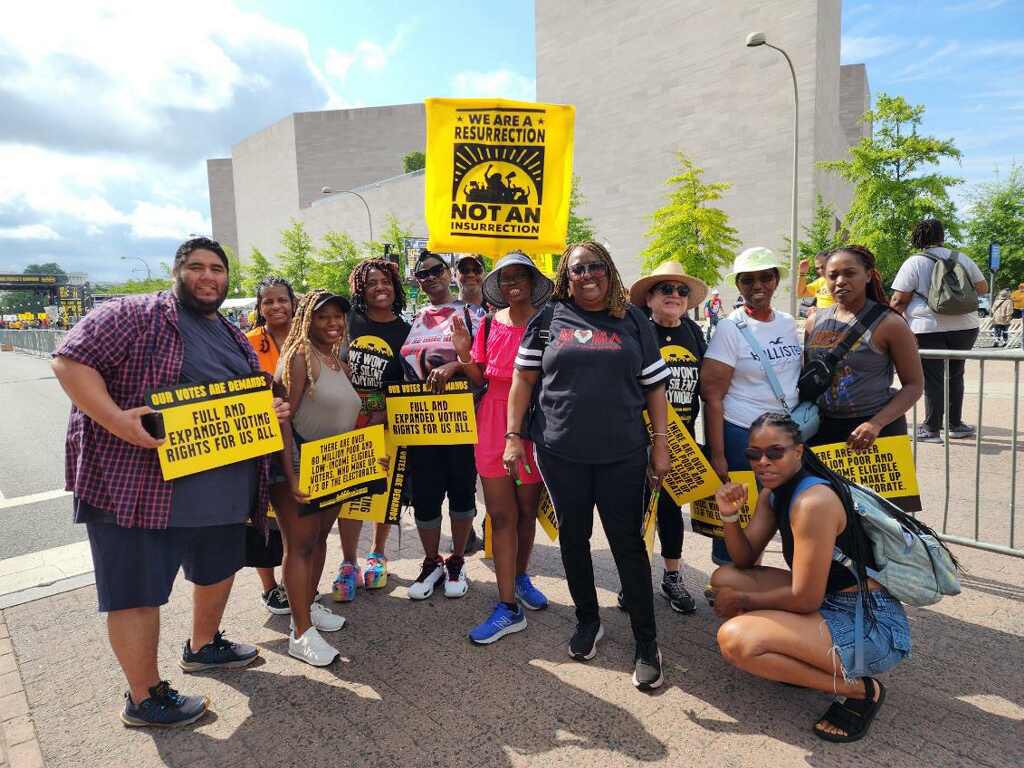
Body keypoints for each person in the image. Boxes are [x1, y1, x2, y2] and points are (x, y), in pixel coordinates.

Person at [52, 236, 286, 728]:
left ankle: (203, 646)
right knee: (135, 591)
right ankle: (144, 696)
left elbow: (237, 397)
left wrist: (269, 409)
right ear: (178, 271)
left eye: (217, 269)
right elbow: (70, 361)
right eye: (197, 267)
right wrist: (115, 420)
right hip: (137, 489)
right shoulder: (133, 313)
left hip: (219, 493)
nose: (208, 277)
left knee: (219, 568)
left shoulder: (229, 331)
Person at [507, 241, 671, 690]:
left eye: (596, 266)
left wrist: (661, 445)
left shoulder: (634, 320)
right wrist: (513, 436)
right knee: (573, 541)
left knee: (627, 545)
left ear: (610, 270)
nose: (588, 275)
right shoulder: (548, 320)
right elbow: (522, 382)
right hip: (561, 455)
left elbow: (655, 390)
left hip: (623, 454)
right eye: (578, 269)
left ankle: (646, 641)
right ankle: (587, 621)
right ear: (567, 276)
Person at [709, 412, 911, 743]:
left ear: (799, 452)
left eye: (775, 452)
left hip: (870, 623)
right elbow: (743, 559)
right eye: (753, 454)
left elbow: (806, 599)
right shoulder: (774, 492)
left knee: (737, 640)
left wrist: (745, 602)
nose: (763, 462)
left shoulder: (812, 502)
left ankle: (862, 690)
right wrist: (729, 514)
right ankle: (801, 655)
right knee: (726, 578)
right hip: (832, 602)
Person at [451, 252, 554, 644]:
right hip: (493, 419)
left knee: (526, 510)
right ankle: (507, 604)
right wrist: (463, 354)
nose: (512, 285)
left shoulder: (549, 323)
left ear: (531, 281)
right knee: (500, 513)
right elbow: (480, 377)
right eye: (505, 279)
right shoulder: (490, 323)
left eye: (519, 277)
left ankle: (521, 576)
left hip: (534, 421)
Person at [272, 290, 361, 667]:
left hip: (333, 465)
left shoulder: (337, 359)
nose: (333, 323)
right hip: (300, 463)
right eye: (324, 317)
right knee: (300, 546)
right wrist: (291, 475)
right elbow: (283, 420)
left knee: (319, 540)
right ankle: (300, 632)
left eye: (338, 316)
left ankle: (306, 606)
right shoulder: (299, 357)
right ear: (307, 319)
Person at [701, 247, 800, 565]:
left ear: (775, 280)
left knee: (782, 509)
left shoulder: (787, 324)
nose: (757, 285)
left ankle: (758, 585)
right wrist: (718, 456)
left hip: (785, 435)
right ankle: (731, 585)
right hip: (741, 434)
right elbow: (712, 396)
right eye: (748, 280)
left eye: (765, 277)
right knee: (738, 513)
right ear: (739, 285)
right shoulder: (730, 328)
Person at [625, 260, 709, 614]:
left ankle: (672, 577)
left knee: (672, 512)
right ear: (650, 297)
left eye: (681, 290)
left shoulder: (694, 333)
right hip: (640, 438)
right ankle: (634, 581)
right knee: (638, 512)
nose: (675, 295)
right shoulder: (638, 331)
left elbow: (707, 388)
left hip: (682, 441)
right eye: (666, 289)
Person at [401, 251, 485, 600]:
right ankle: (432, 560)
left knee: (462, 492)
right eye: (423, 274)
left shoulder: (473, 315)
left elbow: (481, 376)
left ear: (449, 274)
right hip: (420, 422)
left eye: (437, 270)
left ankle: (456, 560)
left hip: (460, 420)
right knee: (426, 495)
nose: (431, 277)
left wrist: (454, 366)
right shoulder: (415, 318)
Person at [332, 259, 411, 601]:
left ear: (396, 287)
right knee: (349, 494)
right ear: (360, 289)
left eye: (387, 282)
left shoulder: (405, 330)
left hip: (388, 422)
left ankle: (378, 554)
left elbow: (408, 379)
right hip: (346, 421)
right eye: (373, 283)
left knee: (384, 491)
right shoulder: (348, 321)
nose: (381, 287)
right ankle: (348, 562)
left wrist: (383, 411)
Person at [804, 246, 924, 448]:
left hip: (875, 432)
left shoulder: (890, 323)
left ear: (868, 275)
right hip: (823, 429)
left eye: (850, 273)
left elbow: (914, 385)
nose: (840, 281)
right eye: (832, 275)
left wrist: (875, 424)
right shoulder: (814, 321)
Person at [890, 219, 988, 443]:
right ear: (943, 235)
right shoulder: (961, 257)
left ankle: (931, 428)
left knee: (933, 377)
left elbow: (898, 299)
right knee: (956, 374)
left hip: (927, 327)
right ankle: (955, 424)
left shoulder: (915, 262)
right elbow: (982, 288)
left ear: (918, 237)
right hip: (966, 325)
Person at [245, 275, 297, 615]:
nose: (276, 306)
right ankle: (269, 588)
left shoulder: (307, 337)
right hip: (262, 443)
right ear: (260, 308)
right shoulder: (247, 342)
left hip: (301, 439)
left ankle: (297, 583)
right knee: (263, 519)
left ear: (293, 302)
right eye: (268, 302)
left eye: (282, 300)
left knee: (298, 521)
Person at [455, 253, 488, 553]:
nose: (469, 274)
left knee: (493, 468)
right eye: (462, 270)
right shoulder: (451, 312)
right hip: (463, 401)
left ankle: (493, 526)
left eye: (474, 269)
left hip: (492, 400)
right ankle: (466, 532)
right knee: (466, 469)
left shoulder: (498, 308)